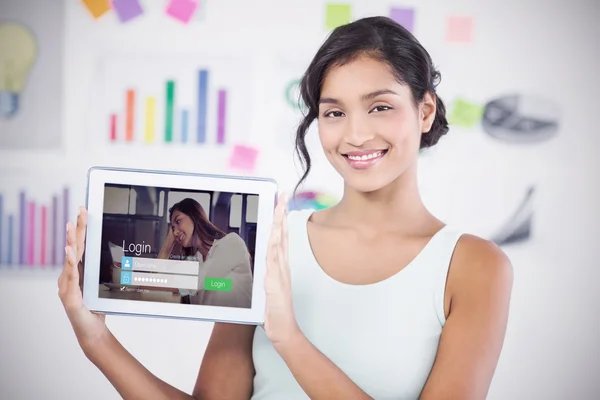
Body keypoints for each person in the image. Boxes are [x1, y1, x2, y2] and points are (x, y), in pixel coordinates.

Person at [58, 16, 513, 400]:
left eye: (379, 107)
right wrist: (94, 338)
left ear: (426, 111)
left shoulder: (474, 266)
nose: (355, 135)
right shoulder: (276, 245)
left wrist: (289, 339)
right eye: (334, 113)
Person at [155, 198, 254, 308]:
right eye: (173, 229)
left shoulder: (232, 243)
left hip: (235, 323)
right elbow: (156, 279)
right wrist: (169, 241)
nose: (175, 232)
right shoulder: (195, 261)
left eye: (178, 222)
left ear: (194, 216)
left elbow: (199, 281)